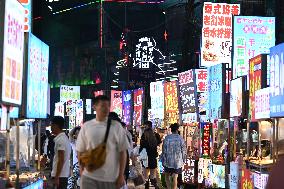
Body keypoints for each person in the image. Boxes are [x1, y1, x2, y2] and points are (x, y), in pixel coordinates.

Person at [76, 95, 129, 189]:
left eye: (108, 106)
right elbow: (80, 150)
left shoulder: (116, 127)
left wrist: (121, 175)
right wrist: (81, 170)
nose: (106, 108)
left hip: (111, 178)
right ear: (94, 107)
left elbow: (123, 152)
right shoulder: (87, 126)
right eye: (103, 106)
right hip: (89, 177)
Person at [161, 123, 186, 189]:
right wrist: (184, 160)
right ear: (177, 130)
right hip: (178, 162)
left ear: (171, 130)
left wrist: (163, 160)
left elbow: (164, 150)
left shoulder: (167, 138)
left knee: (167, 176)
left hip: (168, 161)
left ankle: (169, 188)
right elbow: (183, 150)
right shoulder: (181, 138)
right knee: (175, 177)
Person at [50, 116, 71, 189]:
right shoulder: (63, 138)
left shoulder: (61, 140)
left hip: (60, 176)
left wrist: (56, 177)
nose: (51, 127)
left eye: (51, 125)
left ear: (55, 126)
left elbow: (61, 160)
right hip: (62, 175)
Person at [139, 121, 162, 189]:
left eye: (145, 126)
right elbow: (159, 144)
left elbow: (141, 147)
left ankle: (147, 187)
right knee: (153, 176)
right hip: (153, 157)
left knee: (145, 177)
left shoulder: (144, 135)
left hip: (145, 158)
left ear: (147, 126)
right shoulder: (156, 135)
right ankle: (156, 186)